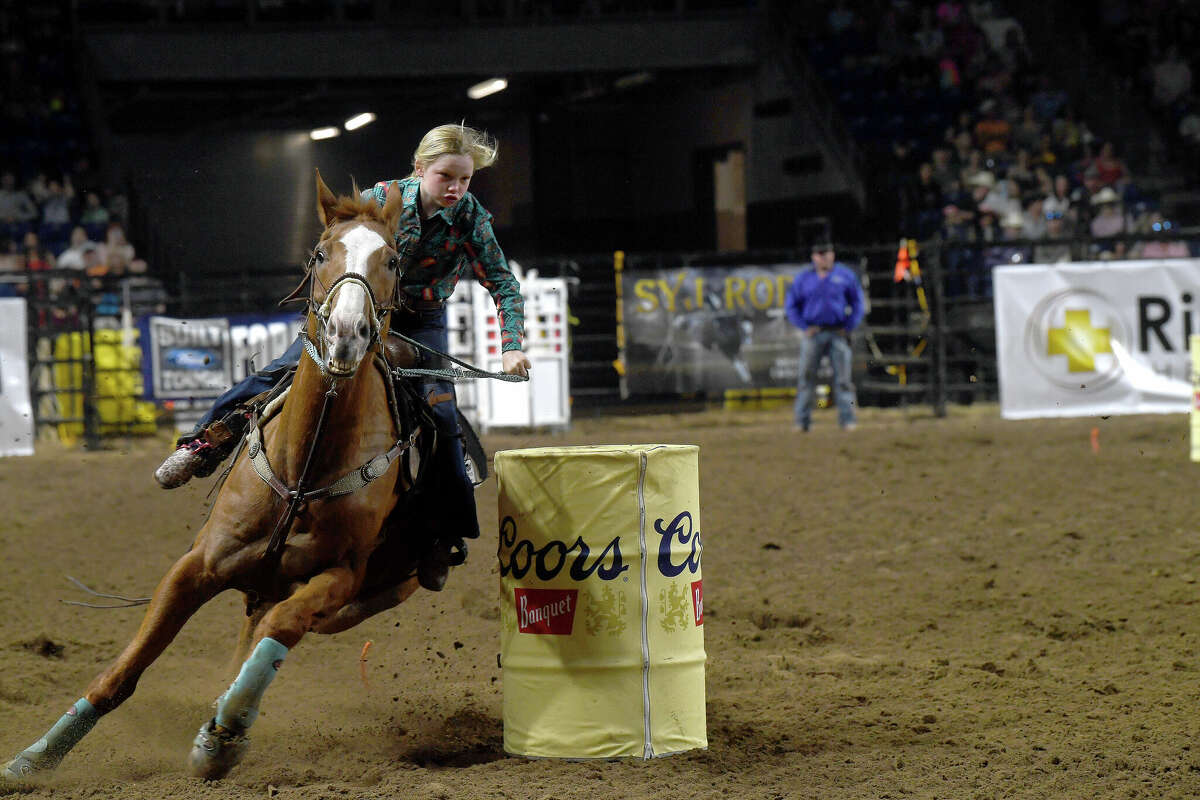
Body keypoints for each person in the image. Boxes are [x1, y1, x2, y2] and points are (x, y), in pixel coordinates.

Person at [154, 122, 532, 590]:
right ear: (420, 170)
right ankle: (202, 445)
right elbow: (336, 247)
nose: (456, 188)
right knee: (281, 371)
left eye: (464, 179)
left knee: (444, 420)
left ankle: (444, 533)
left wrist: (512, 346)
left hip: (421, 324)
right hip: (360, 308)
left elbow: (503, 282)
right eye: (446, 177)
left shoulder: (471, 217)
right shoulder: (379, 199)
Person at [784, 240, 864, 432]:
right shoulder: (804, 278)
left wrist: (850, 325)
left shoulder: (845, 275)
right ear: (814, 257)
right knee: (806, 378)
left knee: (844, 380)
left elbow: (858, 303)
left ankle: (848, 419)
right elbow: (791, 306)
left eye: (827, 253)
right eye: (820, 254)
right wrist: (804, 326)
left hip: (838, 332)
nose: (823, 257)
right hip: (814, 332)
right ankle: (802, 421)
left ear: (832, 255)